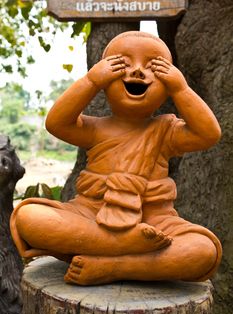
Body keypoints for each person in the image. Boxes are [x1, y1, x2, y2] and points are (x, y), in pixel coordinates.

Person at [10, 31, 222, 285]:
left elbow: (208, 134)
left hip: (154, 220)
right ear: (104, 81)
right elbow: (56, 123)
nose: (137, 71)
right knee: (29, 218)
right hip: (90, 215)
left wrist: (181, 87)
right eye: (122, 63)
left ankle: (114, 266)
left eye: (153, 65)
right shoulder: (96, 128)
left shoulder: (166, 131)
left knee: (203, 250)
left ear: (166, 87)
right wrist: (91, 80)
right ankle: (123, 244)